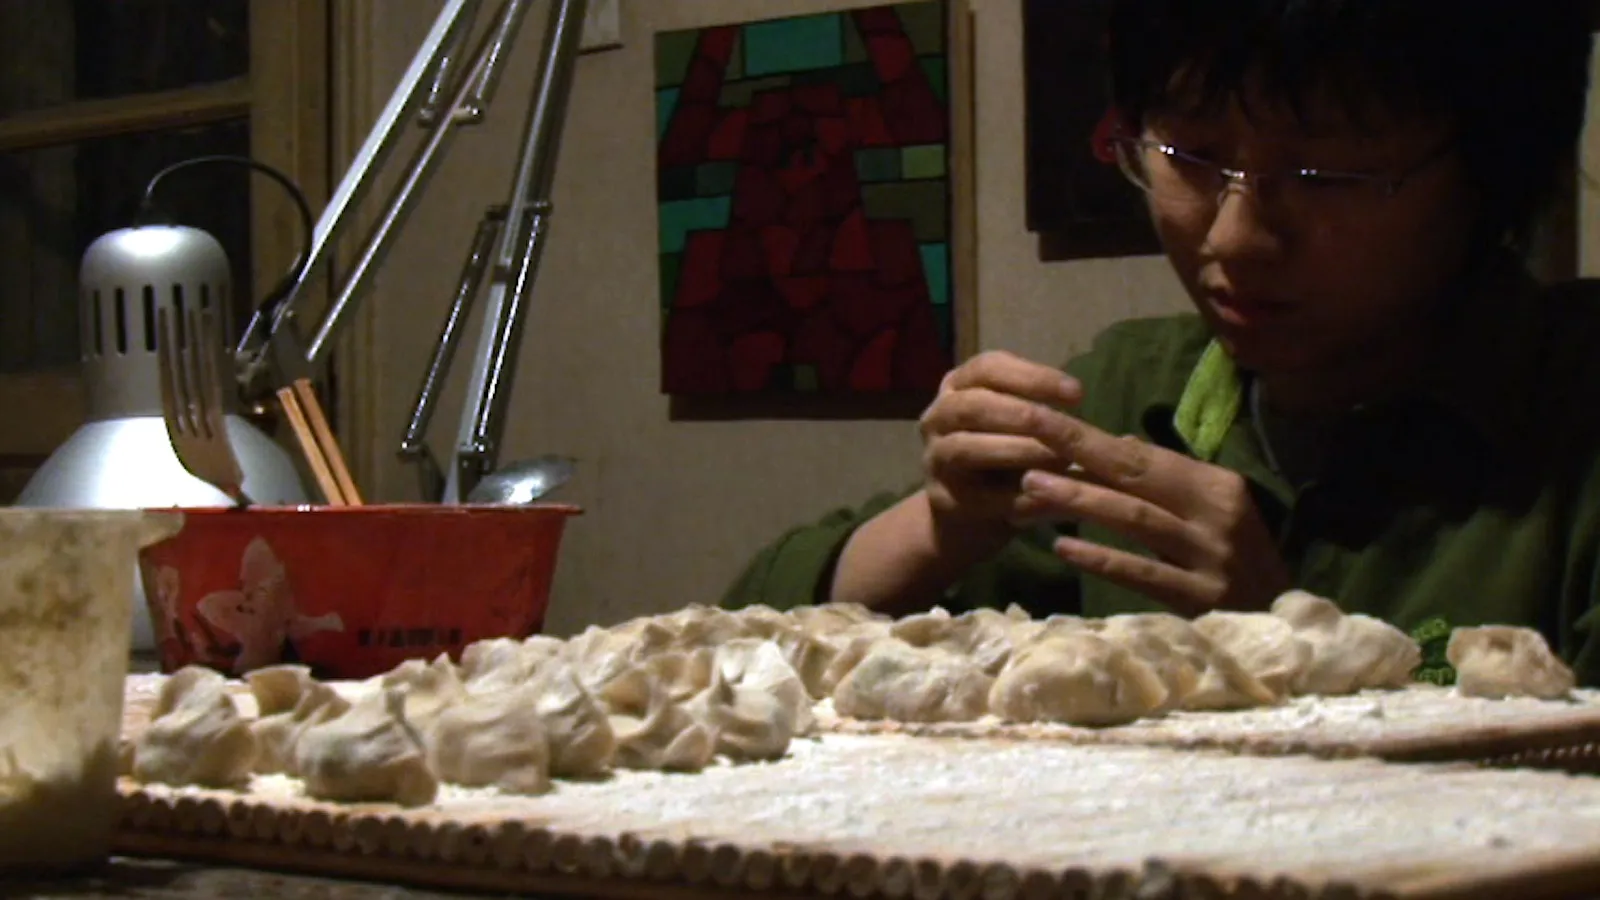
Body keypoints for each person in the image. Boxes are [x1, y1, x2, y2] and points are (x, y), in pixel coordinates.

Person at [720, 0, 1600, 686]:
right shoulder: (1131, 397)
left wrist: (1289, 650)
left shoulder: (1571, 424)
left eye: (1328, 175)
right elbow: (739, 650)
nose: (1234, 239)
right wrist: (940, 525)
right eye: (1193, 154)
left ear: (1494, 166)